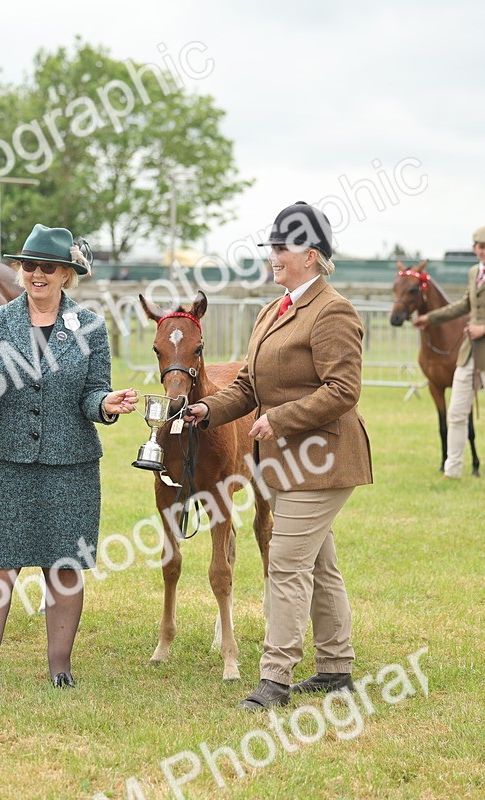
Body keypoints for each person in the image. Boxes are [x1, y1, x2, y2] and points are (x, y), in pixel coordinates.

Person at [183, 202, 372, 711]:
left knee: (287, 566)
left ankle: (275, 678)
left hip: (323, 459)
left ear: (311, 256)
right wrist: (205, 408)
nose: (272, 255)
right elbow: (248, 386)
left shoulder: (333, 311)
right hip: (285, 462)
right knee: (321, 564)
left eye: (281, 247)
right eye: (271, 246)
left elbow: (343, 389)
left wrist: (281, 419)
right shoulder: (275, 309)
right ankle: (335, 668)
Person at [0, 224, 137, 696]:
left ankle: (60, 668)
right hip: (4, 462)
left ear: (66, 274)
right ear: (20, 271)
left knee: (64, 567)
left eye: (48, 267)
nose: (37, 274)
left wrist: (105, 404)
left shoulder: (91, 326)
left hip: (71, 464)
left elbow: (93, 390)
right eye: (29, 265)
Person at [414, 225, 485, 483]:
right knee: (456, 412)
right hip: (469, 354)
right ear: (474, 249)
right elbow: (464, 305)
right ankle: (452, 469)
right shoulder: (474, 272)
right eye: (481, 246)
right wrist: (429, 318)